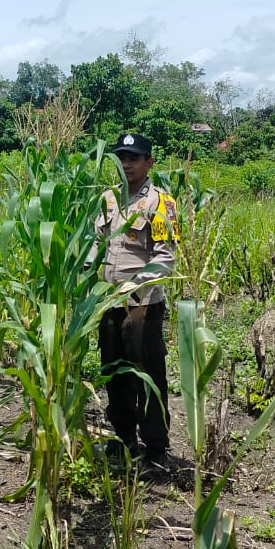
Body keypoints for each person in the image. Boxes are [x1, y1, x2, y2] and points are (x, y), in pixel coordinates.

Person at [97, 132, 177, 475]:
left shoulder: (161, 203)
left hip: (142, 303)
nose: (127, 164)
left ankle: (156, 451)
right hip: (106, 302)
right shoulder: (108, 200)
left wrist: (134, 286)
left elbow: (164, 258)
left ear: (149, 163)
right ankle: (124, 441)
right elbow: (95, 245)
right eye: (122, 157)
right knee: (114, 371)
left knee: (147, 375)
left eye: (134, 158)